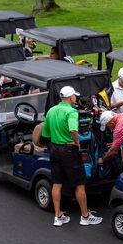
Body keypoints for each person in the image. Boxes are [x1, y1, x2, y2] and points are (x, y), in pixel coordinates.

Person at [41, 86, 103, 227]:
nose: (75, 98)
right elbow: (74, 131)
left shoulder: (51, 110)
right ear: (71, 98)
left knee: (57, 184)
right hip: (69, 151)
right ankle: (85, 216)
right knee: (79, 184)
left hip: (55, 150)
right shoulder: (72, 112)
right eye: (74, 96)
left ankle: (58, 217)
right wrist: (77, 143)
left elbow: (46, 133)